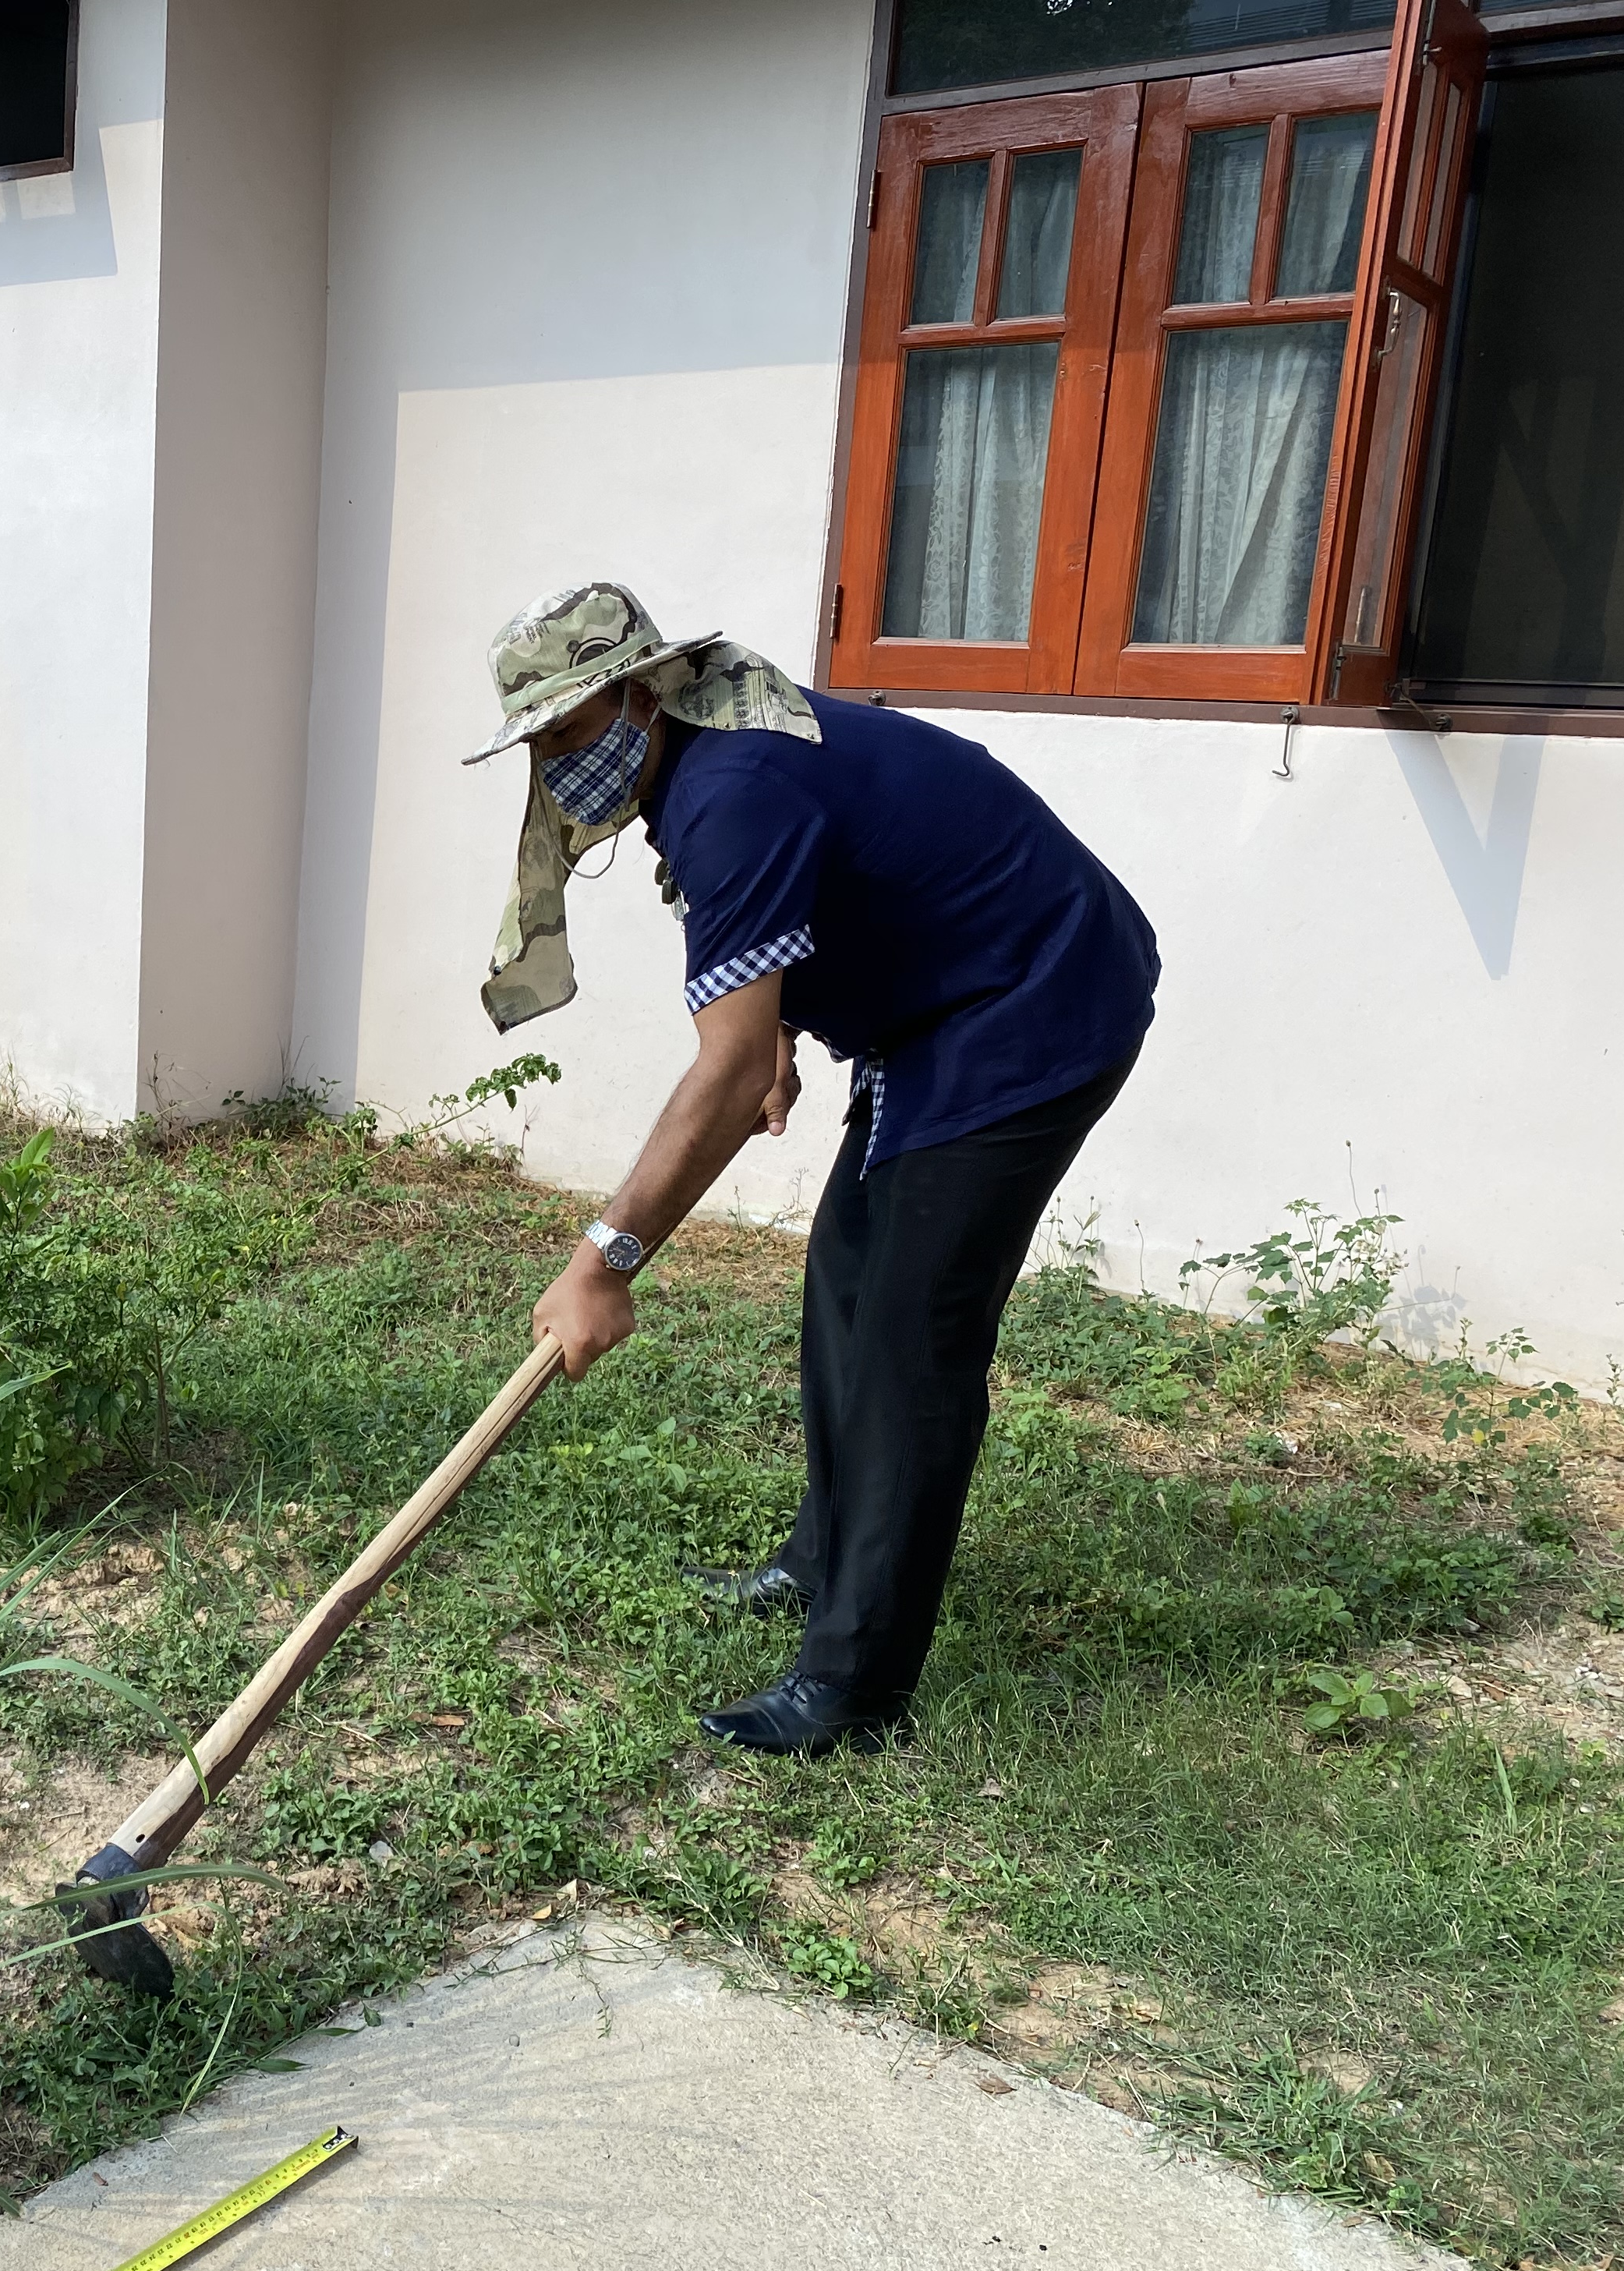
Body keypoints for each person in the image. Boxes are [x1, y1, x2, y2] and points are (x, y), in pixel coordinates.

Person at [474, 583, 1159, 1757]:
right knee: (845, 1289)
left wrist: (607, 1259)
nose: (556, 762)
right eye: (537, 741)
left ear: (646, 694)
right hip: (940, 1012)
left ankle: (853, 1688)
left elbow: (728, 1070)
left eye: (572, 731)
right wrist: (780, 1035)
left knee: (910, 1342)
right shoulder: (708, 758)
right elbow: (807, 919)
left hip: (1032, 1006)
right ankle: (820, 1561)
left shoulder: (735, 789)